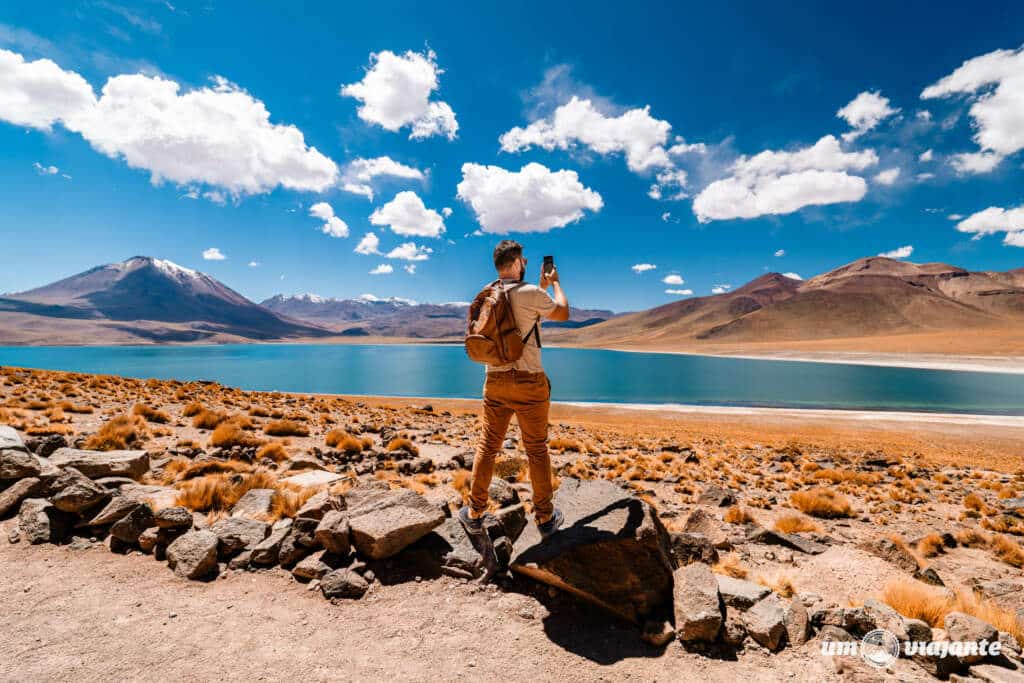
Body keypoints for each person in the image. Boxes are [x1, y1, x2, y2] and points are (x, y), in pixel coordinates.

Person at [459, 239, 570, 541]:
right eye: (524, 261)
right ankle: (545, 518)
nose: (526, 265)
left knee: (487, 446)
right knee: (536, 449)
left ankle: (474, 512)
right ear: (518, 261)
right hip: (528, 382)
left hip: (495, 383)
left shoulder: (488, 293)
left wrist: (539, 286)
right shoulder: (531, 294)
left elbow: (521, 315)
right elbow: (561, 313)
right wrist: (555, 283)